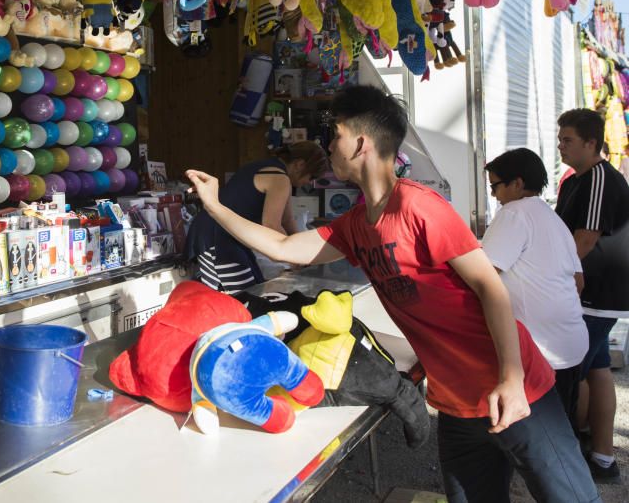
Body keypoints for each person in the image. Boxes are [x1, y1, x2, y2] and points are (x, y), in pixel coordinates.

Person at [188, 85, 598, 503]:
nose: (330, 146)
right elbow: (282, 247)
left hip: (515, 389)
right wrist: (217, 207)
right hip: (456, 405)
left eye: (336, 135)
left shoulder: (420, 206)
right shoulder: (355, 223)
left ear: (360, 142)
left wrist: (511, 379)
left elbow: (489, 286)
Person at [481, 148, 588, 429]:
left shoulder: (514, 213)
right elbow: (579, 281)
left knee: (540, 442)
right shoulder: (552, 219)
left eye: (495, 186)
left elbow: (483, 275)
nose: (493, 195)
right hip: (570, 344)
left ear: (516, 183)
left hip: (540, 352)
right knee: (564, 429)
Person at [555, 108, 629, 484]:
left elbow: (585, 238)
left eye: (567, 140)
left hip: (597, 294)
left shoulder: (599, 177)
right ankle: (602, 457)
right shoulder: (573, 181)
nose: (560, 146)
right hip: (588, 294)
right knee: (597, 371)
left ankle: (566, 464)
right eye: (560, 139)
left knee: (570, 374)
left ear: (591, 143)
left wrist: (552, 272)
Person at [185, 141, 327, 294]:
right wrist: (294, 258)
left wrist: (303, 252)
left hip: (223, 233)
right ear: (299, 164)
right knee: (243, 296)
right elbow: (271, 225)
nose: (309, 182)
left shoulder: (267, 167)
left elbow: (287, 221)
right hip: (216, 236)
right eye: (311, 176)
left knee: (255, 285)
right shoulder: (280, 178)